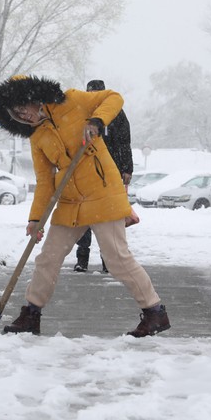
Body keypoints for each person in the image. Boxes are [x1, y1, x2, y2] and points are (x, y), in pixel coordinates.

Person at [0, 75, 169, 337]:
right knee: (48, 259)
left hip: (103, 194)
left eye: (21, 108)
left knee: (117, 259)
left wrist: (97, 120)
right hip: (71, 202)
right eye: (15, 115)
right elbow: (45, 182)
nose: (22, 116)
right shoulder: (38, 137)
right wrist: (35, 219)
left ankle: (155, 312)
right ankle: (31, 314)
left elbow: (113, 97)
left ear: (30, 98)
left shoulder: (73, 100)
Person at [74, 79, 135, 274]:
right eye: (90, 93)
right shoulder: (81, 113)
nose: (93, 97)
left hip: (111, 172)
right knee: (84, 217)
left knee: (107, 219)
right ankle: (81, 259)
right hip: (85, 173)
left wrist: (127, 169)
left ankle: (107, 260)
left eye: (96, 93)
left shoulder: (116, 114)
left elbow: (125, 142)